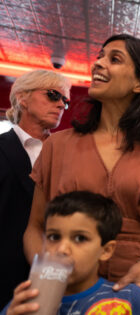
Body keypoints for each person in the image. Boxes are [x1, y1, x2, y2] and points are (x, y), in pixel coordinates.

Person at [23, 34, 140, 310]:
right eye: (100, 56)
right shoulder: (58, 145)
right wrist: (47, 275)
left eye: (114, 59)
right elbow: (34, 227)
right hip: (67, 285)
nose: (98, 64)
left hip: (139, 283)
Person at [1, 191, 140, 315]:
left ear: (106, 250)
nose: (62, 249)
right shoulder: (28, 301)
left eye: (80, 238)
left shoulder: (129, 298)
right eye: (54, 237)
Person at [0, 69, 71, 309]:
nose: (61, 104)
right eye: (53, 95)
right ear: (22, 97)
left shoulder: (68, 156)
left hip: (58, 276)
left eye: (65, 100)